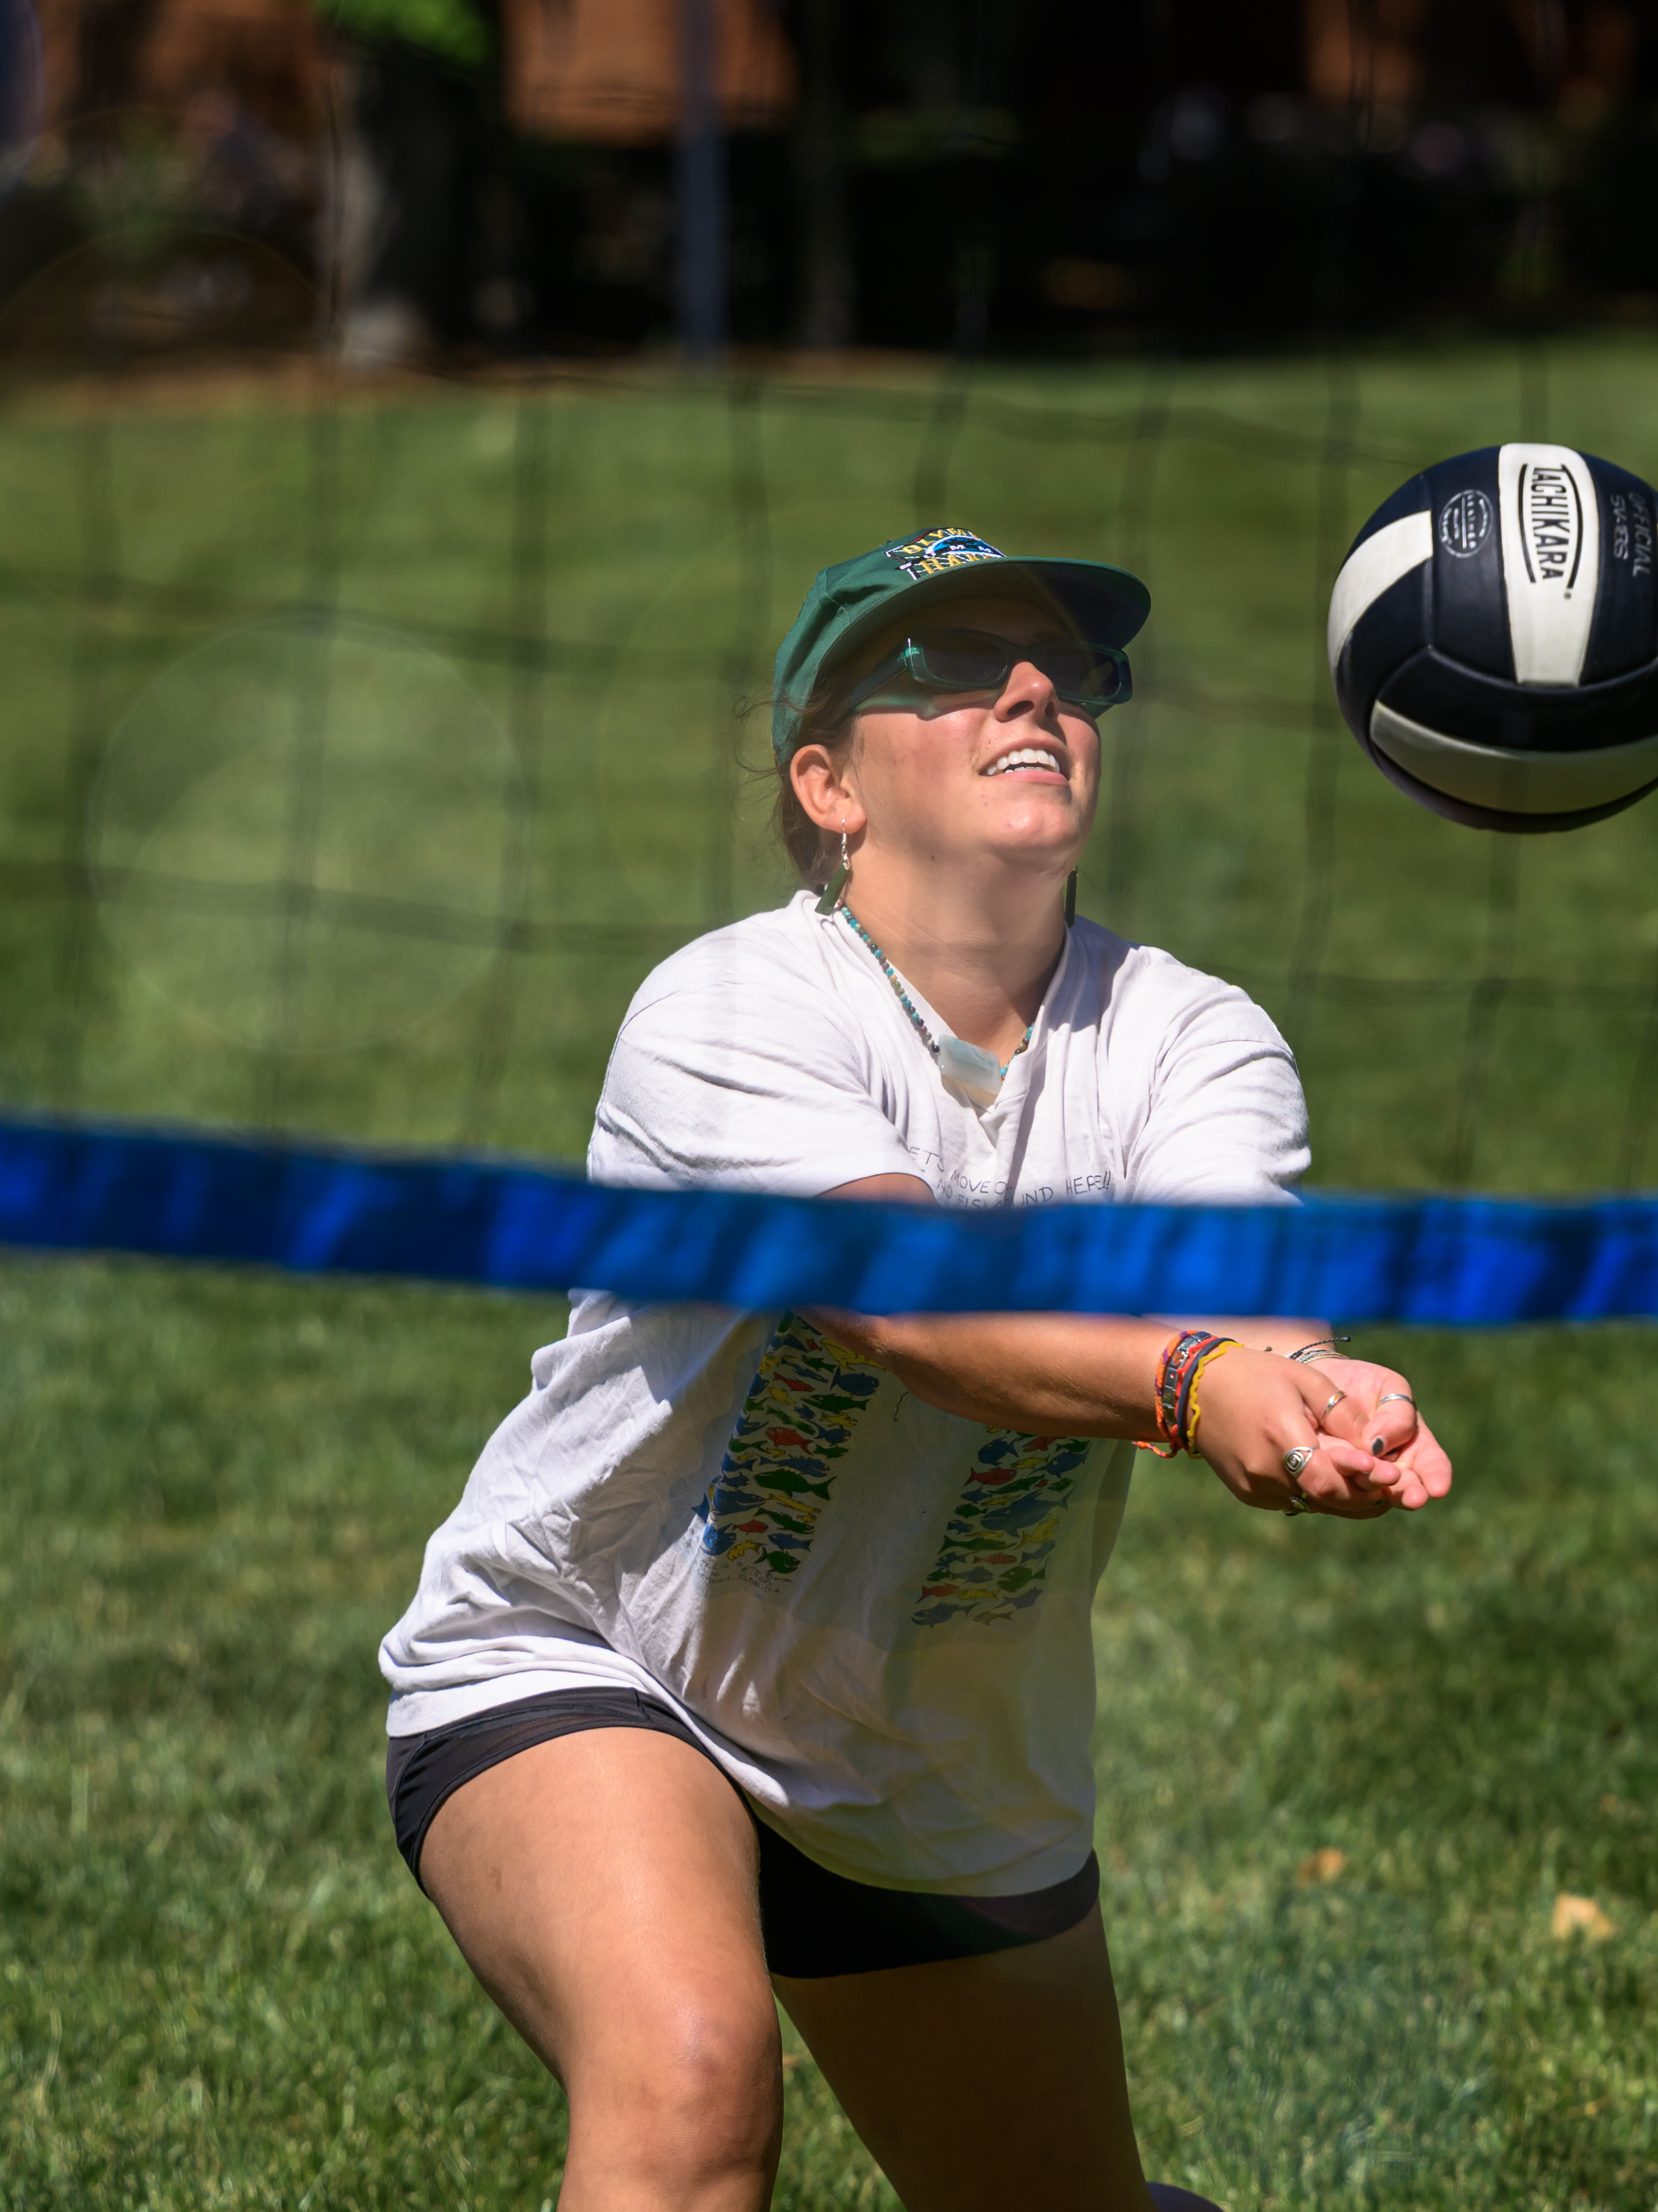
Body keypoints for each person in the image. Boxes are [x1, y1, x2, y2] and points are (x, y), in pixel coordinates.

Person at [378, 526, 1449, 2211]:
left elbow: (1241, 1302)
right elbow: (908, 1308)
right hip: (599, 1652)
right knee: (689, 2074)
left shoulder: (1191, 1036)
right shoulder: (729, 1006)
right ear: (830, 784)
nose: (1030, 690)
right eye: (950, 665)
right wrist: (1194, 1383)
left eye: (1064, 671)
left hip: (939, 1763)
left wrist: (1319, 1395)